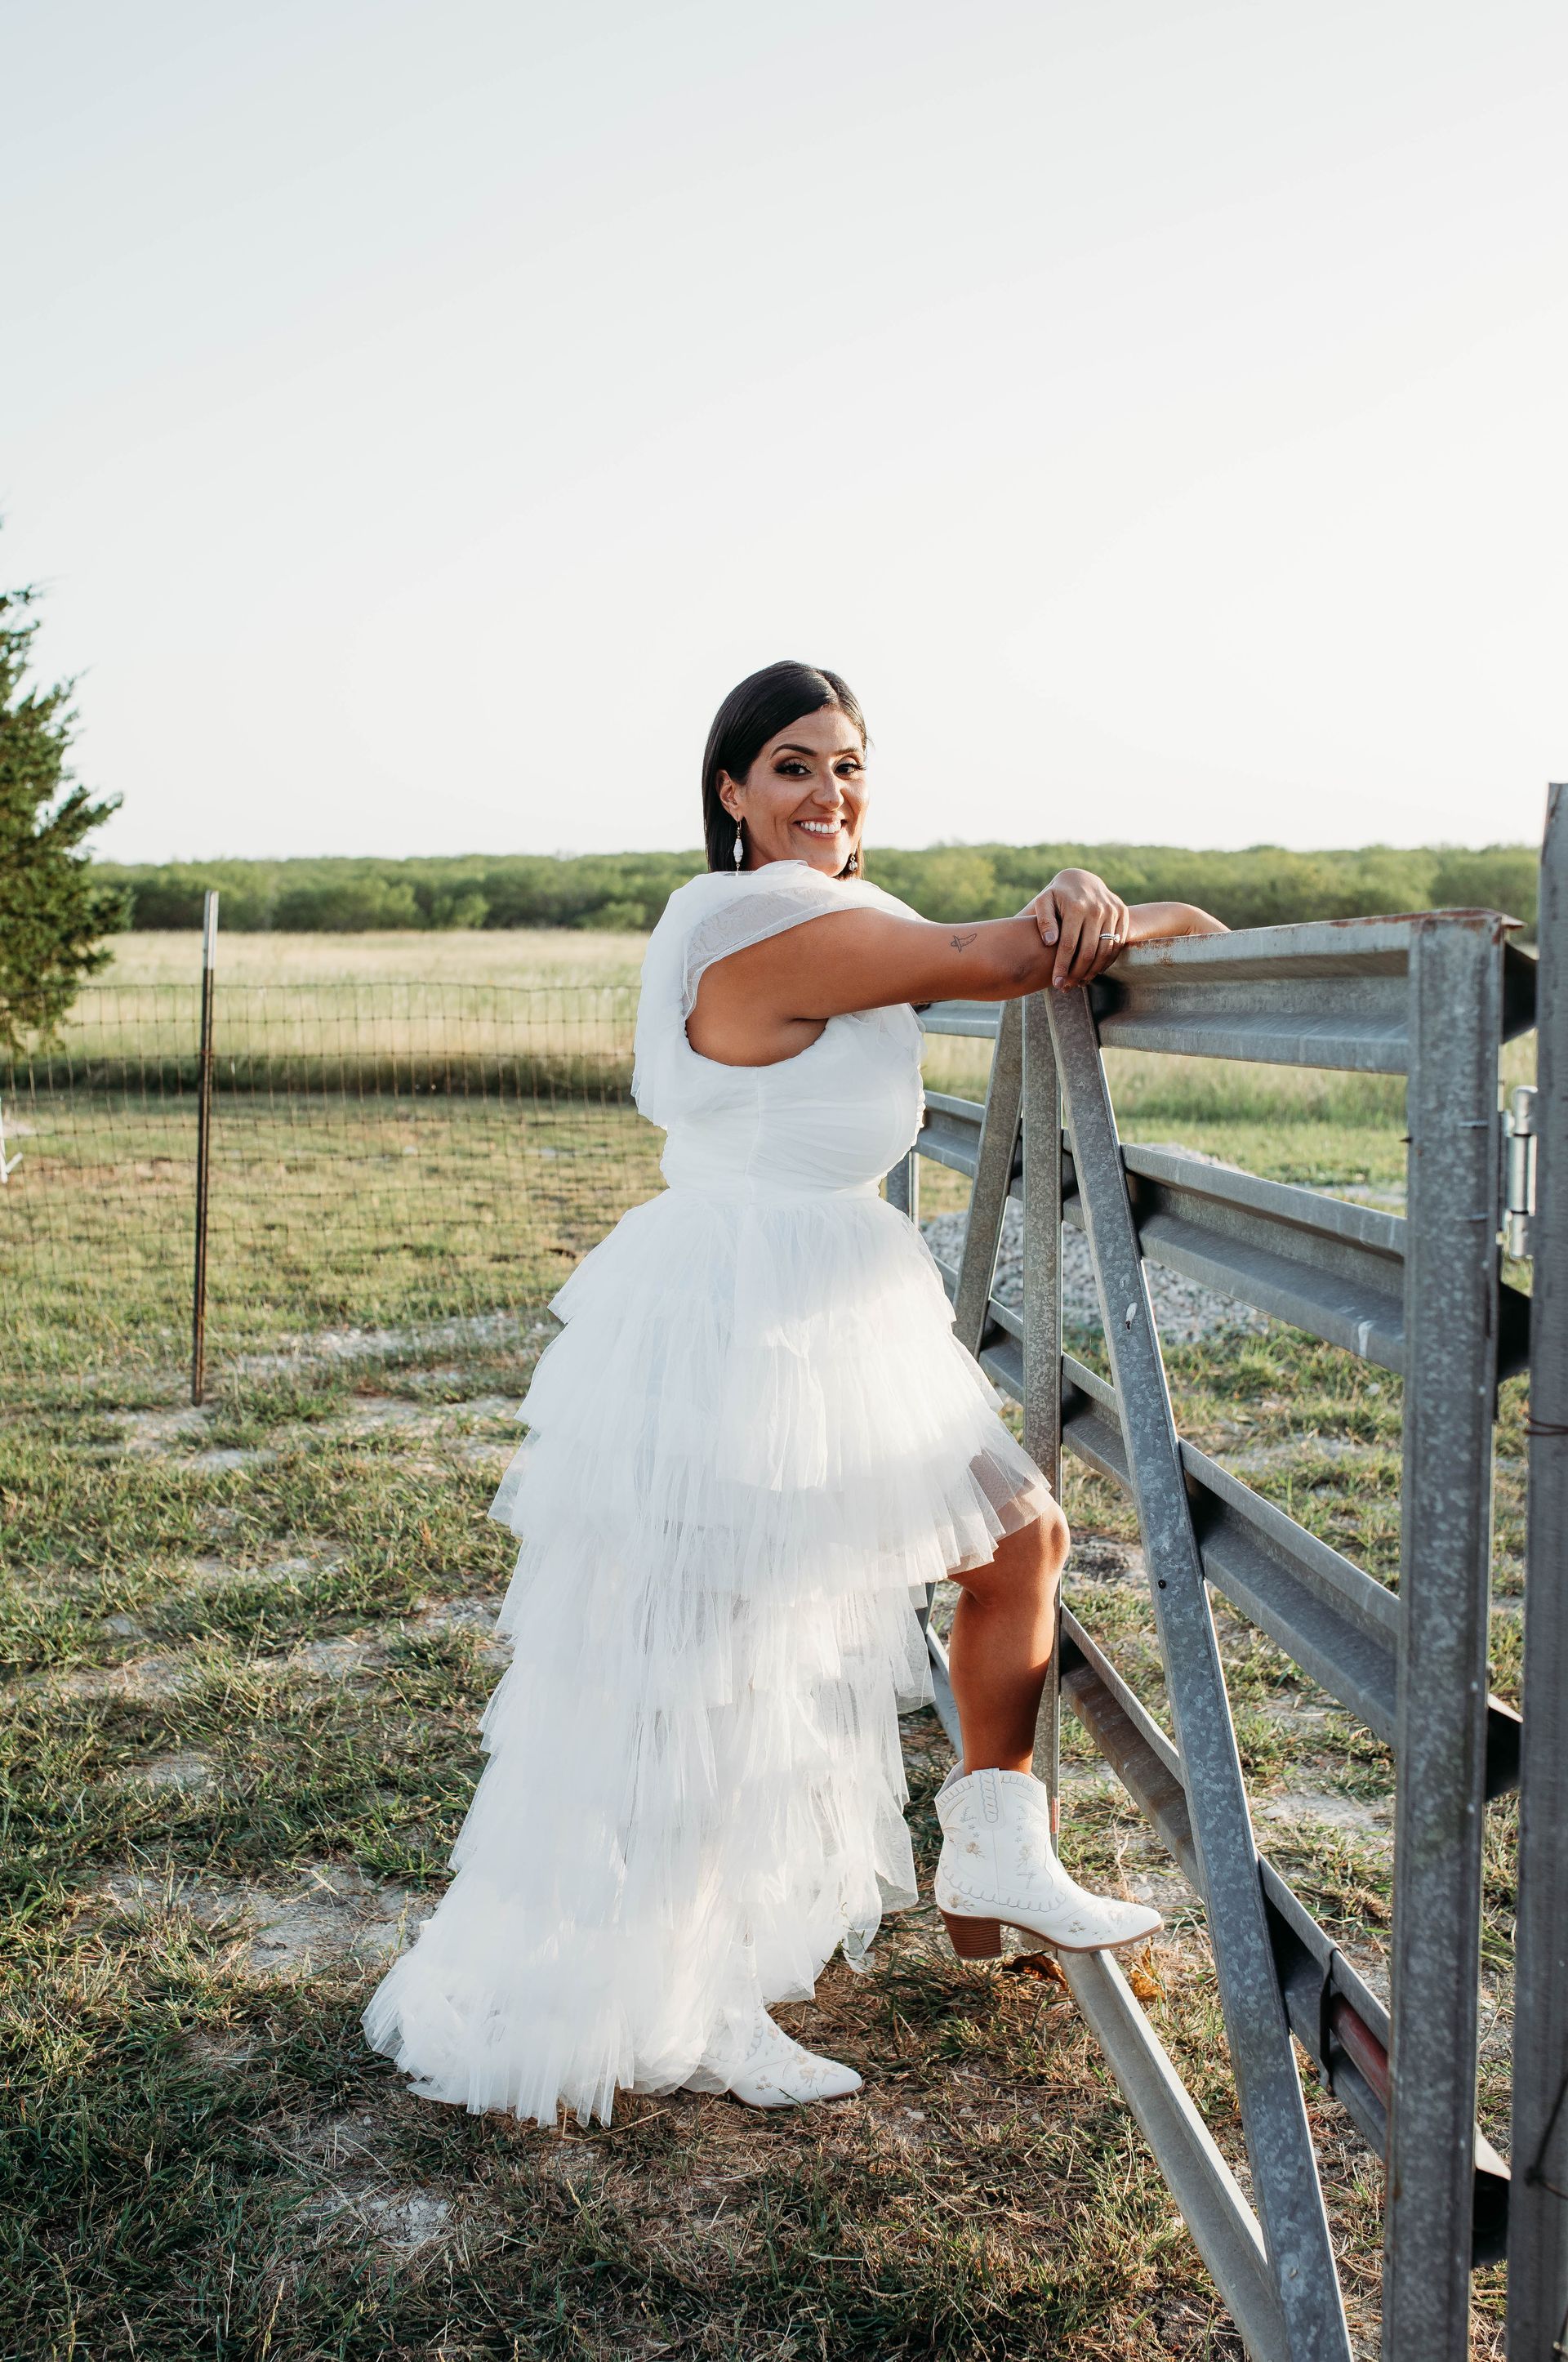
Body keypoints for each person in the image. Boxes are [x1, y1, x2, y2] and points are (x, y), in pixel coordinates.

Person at [365, 661, 1227, 2122]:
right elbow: (1011, 955)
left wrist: (1091, 908)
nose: (828, 793)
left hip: (834, 1287)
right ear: (731, 795)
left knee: (1012, 1539)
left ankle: (993, 1840)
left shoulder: (840, 917)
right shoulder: (751, 920)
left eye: (848, 764)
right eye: (791, 767)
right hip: (745, 1309)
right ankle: (693, 1996)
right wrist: (1105, 902)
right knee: (721, 1659)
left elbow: (1040, 942)